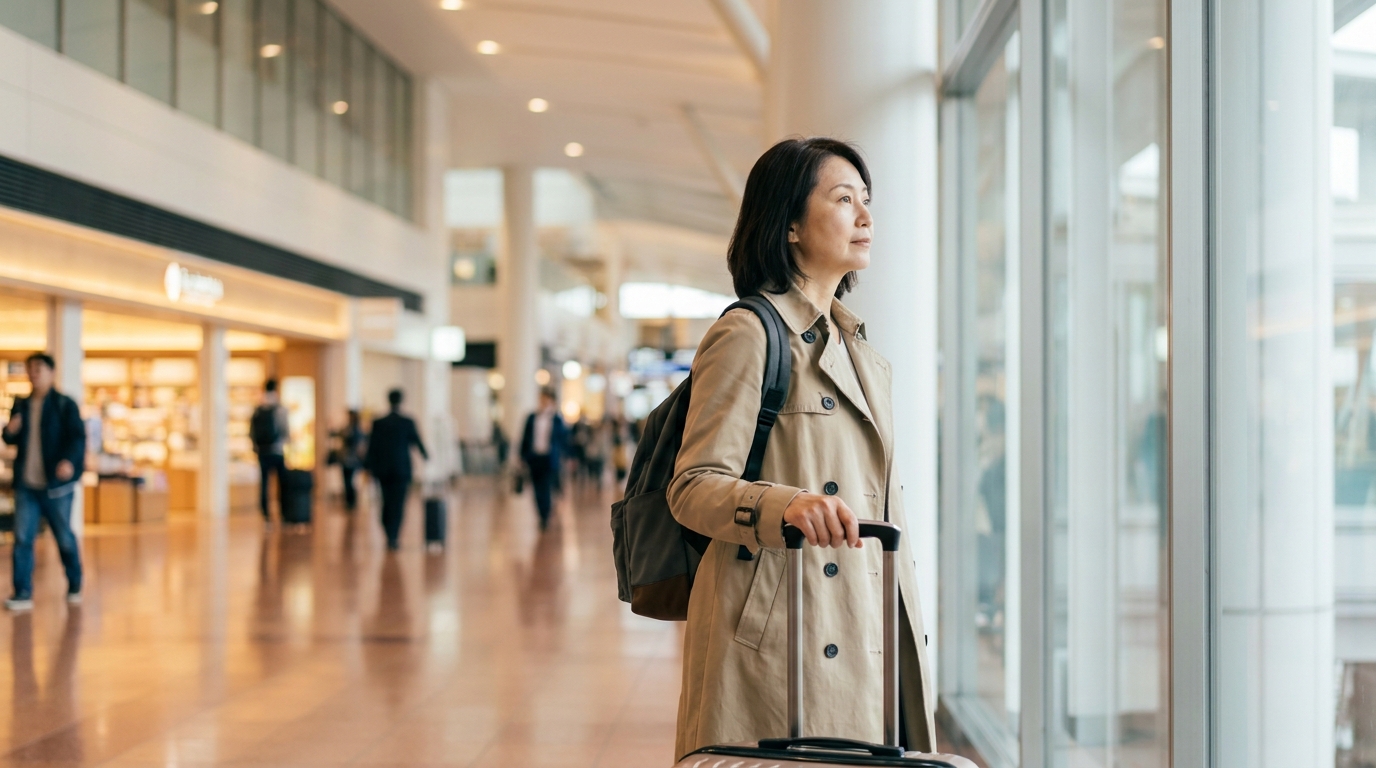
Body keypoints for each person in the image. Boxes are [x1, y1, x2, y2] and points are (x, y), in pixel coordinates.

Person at [667, 138, 937, 758]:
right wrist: (784, 506)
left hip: (863, 618)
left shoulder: (862, 353)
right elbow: (693, 485)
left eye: (867, 201)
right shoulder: (747, 334)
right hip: (780, 633)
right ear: (789, 223)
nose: (866, 217)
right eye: (844, 200)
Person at [1, 353, 86, 611]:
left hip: (57, 487)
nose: (33, 374)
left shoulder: (64, 405)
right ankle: (22, 592)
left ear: (51, 372)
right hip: (27, 484)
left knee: (64, 537)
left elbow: (77, 438)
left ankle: (74, 582)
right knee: (23, 539)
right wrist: (9, 431)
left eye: (38, 369)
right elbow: (9, 437)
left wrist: (69, 462)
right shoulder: (21, 404)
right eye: (30, 370)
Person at [365, 389, 428, 550]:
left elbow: (372, 447)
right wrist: (425, 455)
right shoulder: (407, 421)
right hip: (401, 470)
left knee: (386, 501)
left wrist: (368, 467)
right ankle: (393, 535)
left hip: (383, 470)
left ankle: (389, 531)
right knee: (398, 503)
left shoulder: (379, 422)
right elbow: (417, 441)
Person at [519, 388, 566, 530]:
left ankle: (545, 514)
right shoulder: (532, 418)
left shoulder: (556, 419)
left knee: (546, 487)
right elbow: (525, 438)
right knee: (536, 488)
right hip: (534, 458)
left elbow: (563, 439)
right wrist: (522, 456)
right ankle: (541, 512)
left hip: (549, 459)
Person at [249, 379, 290, 528]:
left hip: (262, 452)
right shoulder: (279, 407)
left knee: (264, 484)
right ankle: (284, 514)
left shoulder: (259, 407)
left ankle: (266, 515)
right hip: (277, 450)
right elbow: (285, 430)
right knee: (281, 483)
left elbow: (252, 431)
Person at [335, 410, 367, 511]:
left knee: (350, 481)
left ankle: (351, 501)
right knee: (346, 481)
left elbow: (358, 442)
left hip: (352, 459)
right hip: (346, 459)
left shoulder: (356, 430)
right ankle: (349, 501)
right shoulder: (347, 428)